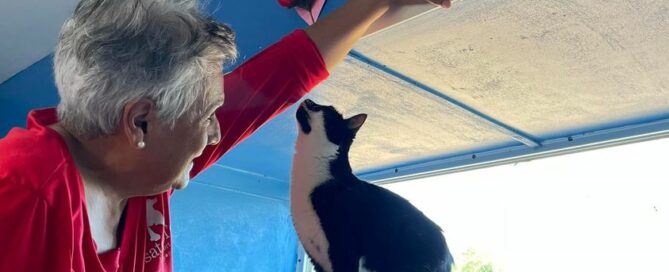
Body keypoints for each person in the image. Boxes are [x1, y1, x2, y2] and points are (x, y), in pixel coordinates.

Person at [0, 0, 450, 271]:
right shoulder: (19, 200)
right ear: (140, 123)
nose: (216, 132)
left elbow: (281, 77)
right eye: (209, 114)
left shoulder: (136, 160)